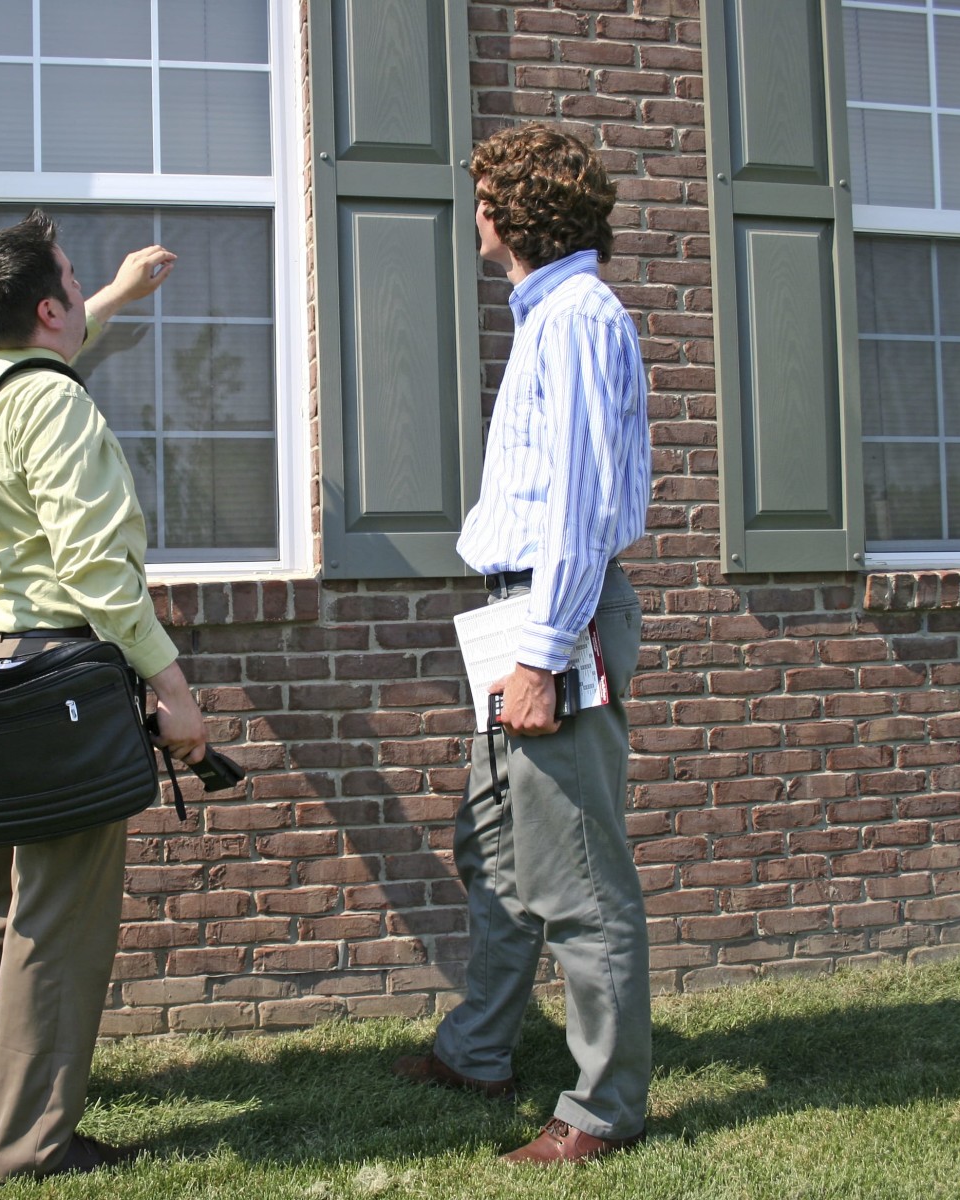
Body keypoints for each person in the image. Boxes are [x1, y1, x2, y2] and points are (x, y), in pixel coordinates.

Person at [0, 210, 209, 1182]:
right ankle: (36, 1143)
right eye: (78, 279)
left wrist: (122, 292)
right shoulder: (57, 407)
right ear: (50, 304)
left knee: (3, 894)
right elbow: (95, 569)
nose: (88, 288)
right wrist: (171, 686)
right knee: (61, 914)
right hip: (58, 679)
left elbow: (51, 347)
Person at [392, 124, 653, 1165]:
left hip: (554, 616)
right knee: (496, 846)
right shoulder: (550, 315)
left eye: (484, 197)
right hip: (521, 613)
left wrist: (543, 653)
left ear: (511, 213)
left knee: (580, 877)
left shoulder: (579, 319)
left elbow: (583, 506)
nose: (477, 214)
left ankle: (603, 1108)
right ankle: (480, 1050)